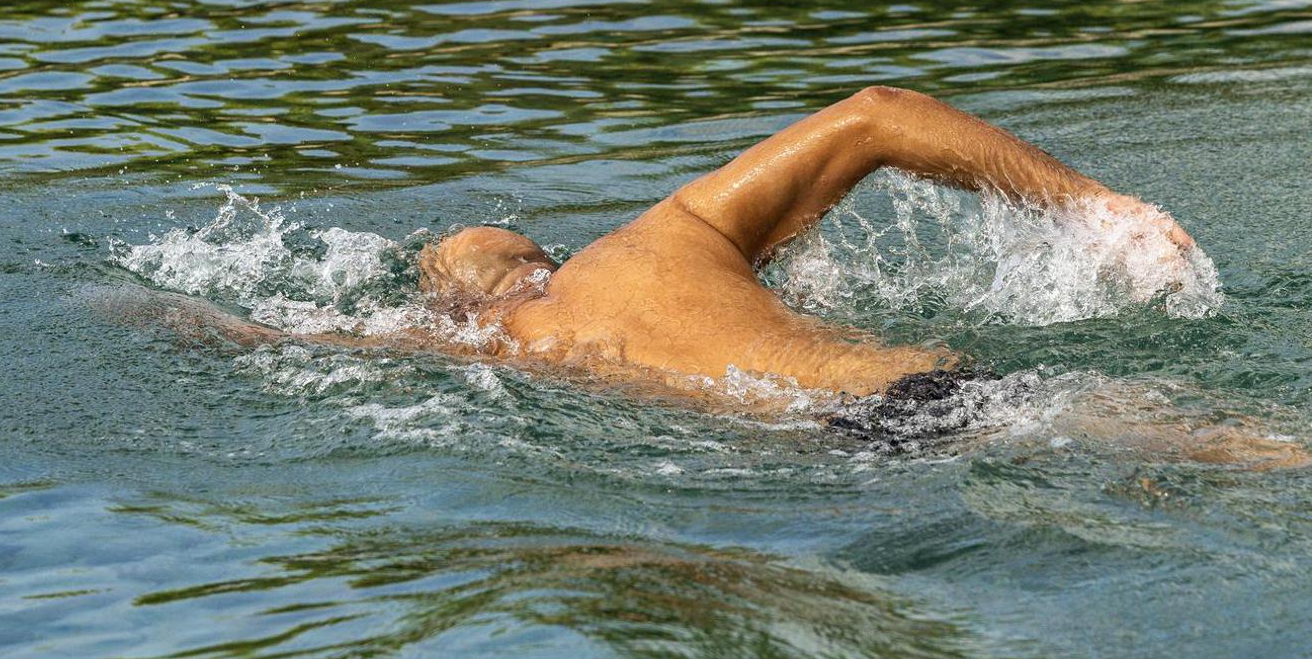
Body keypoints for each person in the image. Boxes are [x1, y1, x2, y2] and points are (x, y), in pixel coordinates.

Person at [417, 85, 1191, 398]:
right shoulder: (662, 239)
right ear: (545, 256)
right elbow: (878, 112)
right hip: (909, 382)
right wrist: (1095, 206)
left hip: (814, 448)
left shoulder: (494, 344)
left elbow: (306, 340)